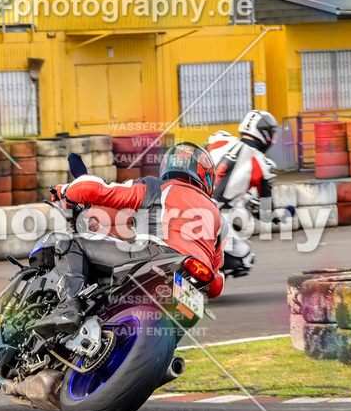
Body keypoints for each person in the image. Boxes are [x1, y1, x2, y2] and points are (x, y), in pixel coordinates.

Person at [30, 142, 225, 335]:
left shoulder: (156, 187)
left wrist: (65, 191)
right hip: (191, 286)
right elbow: (216, 286)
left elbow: (99, 190)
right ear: (206, 176)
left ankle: (68, 307)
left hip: (155, 257)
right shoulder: (219, 217)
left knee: (69, 242)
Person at [205, 110, 280, 277]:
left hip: (187, 201)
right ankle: (212, 269)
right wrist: (278, 216)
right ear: (266, 135)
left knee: (236, 206)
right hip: (216, 216)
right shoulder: (265, 165)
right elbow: (266, 212)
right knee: (246, 259)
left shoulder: (220, 140)